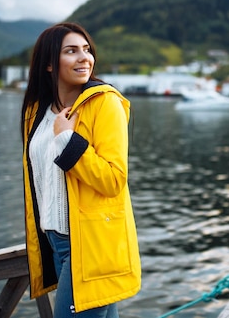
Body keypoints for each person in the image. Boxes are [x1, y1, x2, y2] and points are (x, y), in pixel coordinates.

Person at [20, 22, 141, 317]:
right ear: (49, 64)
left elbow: (114, 180)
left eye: (86, 50)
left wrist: (67, 139)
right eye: (71, 51)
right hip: (54, 242)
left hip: (89, 246)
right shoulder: (36, 112)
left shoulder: (105, 103)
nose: (84, 58)